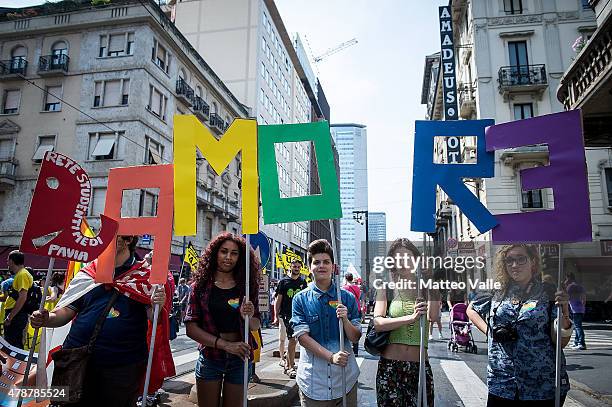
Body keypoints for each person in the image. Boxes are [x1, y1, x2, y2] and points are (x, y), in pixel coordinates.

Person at [30, 236, 166, 407]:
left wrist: (158, 305)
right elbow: (66, 311)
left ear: (128, 240)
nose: (102, 241)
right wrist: (46, 318)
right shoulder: (88, 273)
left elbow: (154, 318)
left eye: (110, 236)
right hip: (77, 361)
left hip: (121, 366)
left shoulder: (145, 276)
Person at [466, 244, 573, 406]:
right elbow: (471, 309)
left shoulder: (548, 292)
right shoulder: (497, 291)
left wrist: (564, 310)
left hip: (541, 384)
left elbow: (561, 342)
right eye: (509, 260)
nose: (514, 265)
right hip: (502, 381)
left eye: (521, 259)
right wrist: (490, 332)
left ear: (533, 261)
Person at [184, 232, 261, 407]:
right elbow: (191, 328)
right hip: (210, 358)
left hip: (240, 359)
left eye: (234, 253)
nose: (228, 257)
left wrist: (248, 316)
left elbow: (255, 325)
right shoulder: (200, 287)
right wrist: (226, 345)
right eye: (224, 251)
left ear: (240, 258)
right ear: (215, 253)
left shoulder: (247, 287)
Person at [291, 239, 361, 406]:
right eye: (316, 262)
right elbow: (302, 338)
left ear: (333, 266)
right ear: (309, 267)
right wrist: (331, 357)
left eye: (326, 262)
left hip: (346, 382)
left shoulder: (347, 298)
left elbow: (355, 337)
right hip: (313, 384)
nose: (321, 266)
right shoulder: (300, 299)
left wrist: (345, 320)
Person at [372, 238, 433, 406]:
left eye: (407, 257)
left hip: (419, 367)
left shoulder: (426, 287)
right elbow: (378, 322)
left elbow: (433, 316)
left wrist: (431, 281)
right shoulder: (386, 287)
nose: (403, 262)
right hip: (390, 367)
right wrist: (411, 318)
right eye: (398, 258)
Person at [274, 259, 308, 378]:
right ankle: (290, 367)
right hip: (286, 315)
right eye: (295, 266)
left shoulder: (303, 282)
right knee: (291, 341)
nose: (297, 268)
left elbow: (305, 300)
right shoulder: (283, 282)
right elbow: (278, 301)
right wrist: (276, 316)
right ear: (290, 267)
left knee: (294, 342)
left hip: (299, 316)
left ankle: (289, 364)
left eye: (299, 267)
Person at [4, 250, 33, 349]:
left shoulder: (22, 274)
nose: (7, 263)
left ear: (12, 261)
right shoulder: (21, 274)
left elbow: (22, 297)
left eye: (8, 260)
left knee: (13, 344)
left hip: (17, 315)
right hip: (16, 314)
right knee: (12, 343)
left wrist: (10, 317)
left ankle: (14, 364)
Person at [565, 273, 587, 350]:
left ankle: (581, 343)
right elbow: (584, 297)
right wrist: (583, 305)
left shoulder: (570, 286)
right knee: (577, 326)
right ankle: (577, 342)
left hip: (575, 309)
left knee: (578, 326)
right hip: (580, 308)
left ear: (568, 278)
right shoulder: (579, 286)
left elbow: (566, 296)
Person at [343, 272, 362, 355]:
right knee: (355, 327)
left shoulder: (344, 288)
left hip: (347, 310)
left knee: (346, 328)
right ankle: (356, 351)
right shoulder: (357, 288)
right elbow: (359, 297)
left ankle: (346, 349)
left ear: (346, 278)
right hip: (357, 308)